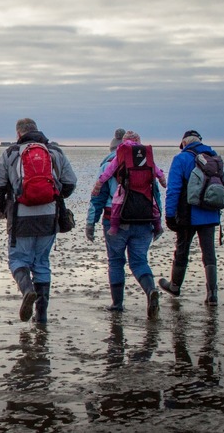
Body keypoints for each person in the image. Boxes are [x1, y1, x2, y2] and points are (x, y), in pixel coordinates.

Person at [0, 118, 77, 324]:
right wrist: (52, 197)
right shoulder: (55, 152)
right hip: (49, 217)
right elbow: (70, 183)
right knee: (42, 263)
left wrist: (2, 212)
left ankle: (27, 290)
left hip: (21, 217)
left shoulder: (11, 153)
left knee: (18, 260)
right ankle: (42, 316)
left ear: (18, 134)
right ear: (37, 130)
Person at [88, 131, 166, 316]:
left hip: (115, 220)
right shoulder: (145, 163)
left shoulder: (108, 165)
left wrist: (90, 223)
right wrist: (158, 222)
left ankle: (117, 304)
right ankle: (150, 290)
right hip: (144, 219)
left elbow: (97, 199)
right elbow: (155, 194)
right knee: (139, 261)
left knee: (116, 262)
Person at [159, 130, 224, 305]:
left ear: (184, 143)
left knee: (182, 250)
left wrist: (169, 215)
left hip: (188, 215)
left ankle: (174, 286)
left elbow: (173, 190)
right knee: (209, 253)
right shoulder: (213, 157)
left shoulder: (181, 159)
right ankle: (212, 295)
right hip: (210, 212)